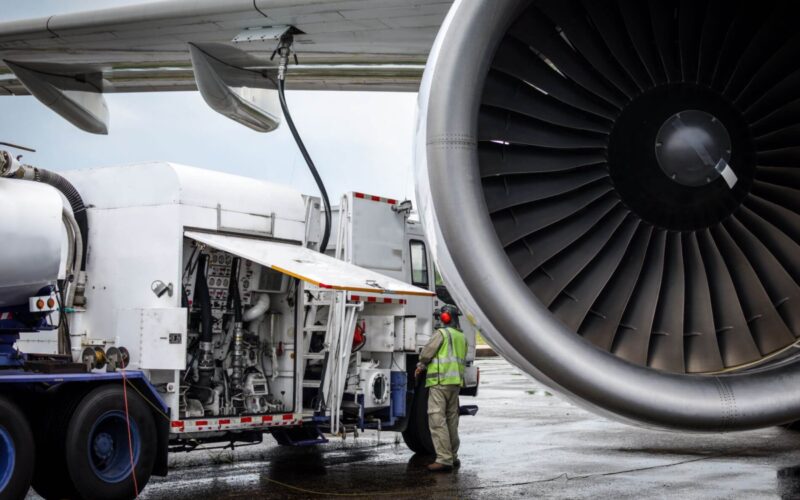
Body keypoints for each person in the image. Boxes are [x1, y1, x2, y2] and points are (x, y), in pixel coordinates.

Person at [415, 305, 467, 472]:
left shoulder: (442, 334)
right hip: (454, 383)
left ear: (445, 317)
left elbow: (427, 353)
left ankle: (444, 459)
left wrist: (421, 364)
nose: (439, 320)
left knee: (437, 419)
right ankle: (453, 456)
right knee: (452, 420)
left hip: (439, 381)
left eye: (440, 317)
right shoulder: (461, 336)